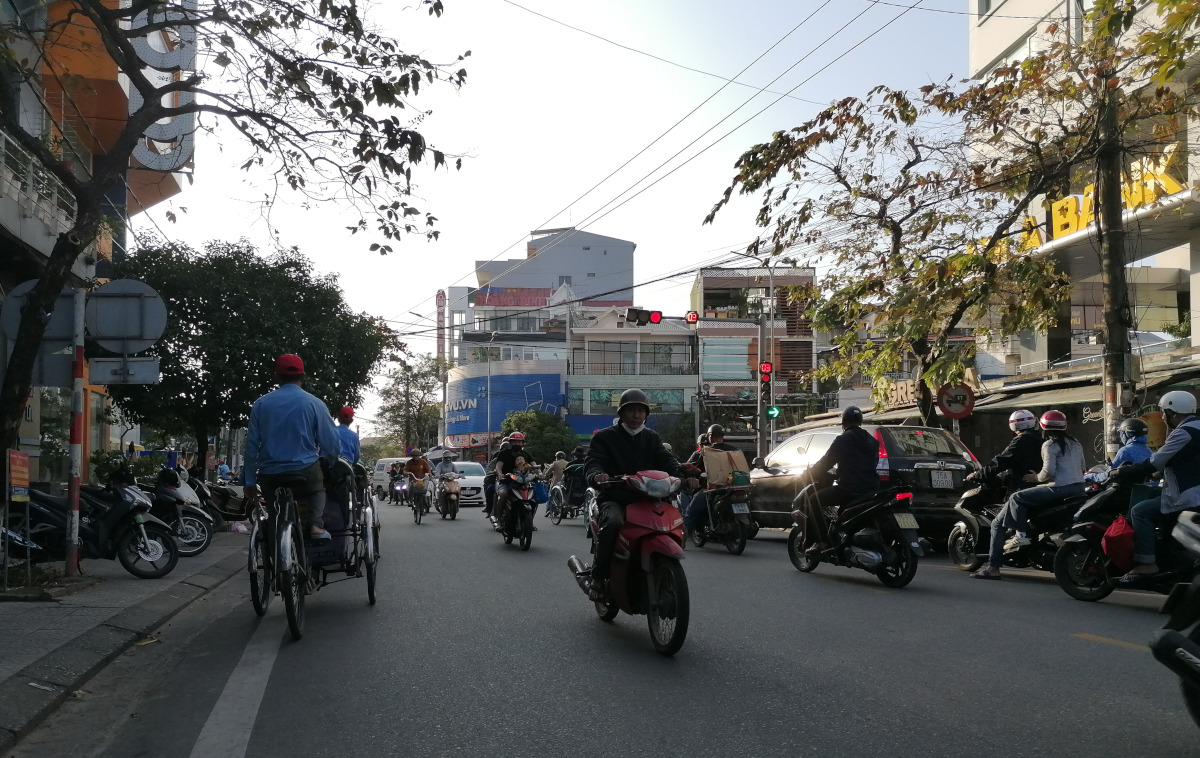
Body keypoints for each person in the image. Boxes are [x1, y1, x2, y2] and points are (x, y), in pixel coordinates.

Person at [583, 389, 696, 599]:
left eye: (641, 411)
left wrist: (685, 477)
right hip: (616, 498)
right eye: (631, 410)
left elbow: (667, 461)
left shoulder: (651, 437)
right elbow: (593, 461)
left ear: (646, 415)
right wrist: (597, 475)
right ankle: (598, 578)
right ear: (622, 413)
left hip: (649, 499)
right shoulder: (605, 437)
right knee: (614, 522)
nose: (636, 415)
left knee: (675, 521)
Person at [971, 409, 1085, 580]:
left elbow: (1046, 471)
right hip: (1079, 488)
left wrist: (1036, 478)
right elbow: (1082, 467)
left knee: (1003, 516)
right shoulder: (1075, 443)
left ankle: (1003, 556)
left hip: (1057, 488)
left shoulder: (1047, 444)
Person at [243, 354, 341, 539]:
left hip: (270, 474)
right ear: (303, 376)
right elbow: (332, 443)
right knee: (318, 490)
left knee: (275, 516)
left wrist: (249, 481)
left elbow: (251, 446)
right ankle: (315, 525)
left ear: (276, 376)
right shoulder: (315, 403)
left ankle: (276, 544)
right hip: (306, 470)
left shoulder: (261, 404)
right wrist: (332, 461)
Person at [1117, 391, 1200, 580]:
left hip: (1189, 496)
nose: (1162, 417)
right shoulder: (1196, 427)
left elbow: (1156, 461)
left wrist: (1123, 472)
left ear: (1173, 413)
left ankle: (1147, 563)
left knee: (1140, 512)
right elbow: (1186, 460)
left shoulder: (1184, 433)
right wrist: (1158, 473)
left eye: (1164, 412)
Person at [793, 406, 881, 552]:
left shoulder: (843, 439)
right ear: (860, 421)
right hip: (871, 489)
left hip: (850, 488)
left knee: (813, 500)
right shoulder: (872, 440)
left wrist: (809, 474)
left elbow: (826, 462)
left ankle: (820, 542)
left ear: (843, 422)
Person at [683, 424, 740, 535]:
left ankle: (682, 536)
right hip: (733, 487)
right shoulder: (734, 450)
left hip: (713, 488)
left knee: (691, 511)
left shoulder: (707, 452)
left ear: (710, 436)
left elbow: (695, 467)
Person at [969, 410, 1042, 491]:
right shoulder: (1038, 437)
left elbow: (1002, 460)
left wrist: (979, 475)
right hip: (1038, 483)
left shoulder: (1021, 440)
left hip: (1025, 485)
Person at [492, 432, 537, 528]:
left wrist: (540, 474)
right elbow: (498, 466)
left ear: (522, 443)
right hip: (506, 482)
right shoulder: (503, 454)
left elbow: (535, 466)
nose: (517, 444)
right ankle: (499, 519)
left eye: (519, 442)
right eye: (515, 442)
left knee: (534, 496)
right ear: (510, 443)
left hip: (523, 483)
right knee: (503, 494)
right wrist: (500, 475)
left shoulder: (526, 455)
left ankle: (530, 520)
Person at [483, 439, 511, 518]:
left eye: (508, 450)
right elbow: (489, 470)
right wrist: (496, 473)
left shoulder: (517, 458)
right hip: (500, 481)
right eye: (504, 450)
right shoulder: (497, 459)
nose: (506, 452)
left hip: (515, 482)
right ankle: (491, 511)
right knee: (491, 489)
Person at [544, 451, 569, 516]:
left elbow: (547, 472)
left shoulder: (555, 463)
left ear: (557, 457)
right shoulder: (568, 463)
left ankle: (548, 509)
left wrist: (546, 477)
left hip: (555, 483)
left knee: (550, 495)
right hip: (565, 483)